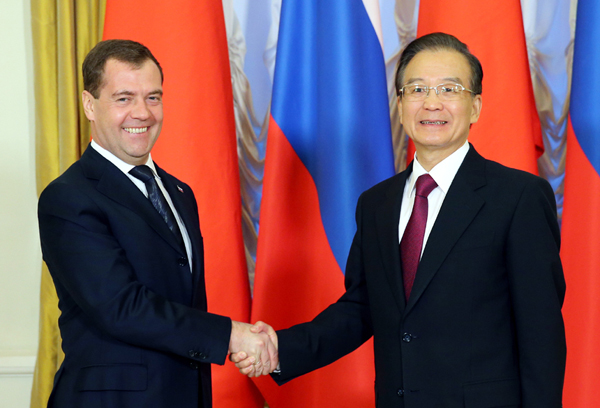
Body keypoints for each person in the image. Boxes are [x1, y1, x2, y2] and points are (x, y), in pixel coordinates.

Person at [233, 32, 566, 407]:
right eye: (417, 89)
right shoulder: (378, 204)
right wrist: (280, 348)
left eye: (449, 89)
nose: (432, 103)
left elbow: (542, 335)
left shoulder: (517, 197)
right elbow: (362, 308)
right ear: (401, 103)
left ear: (475, 107)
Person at [37, 39, 277, 408]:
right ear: (89, 104)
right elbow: (122, 307)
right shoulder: (68, 197)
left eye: (153, 97)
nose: (142, 113)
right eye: (123, 98)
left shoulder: (179, 193)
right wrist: (231, 336)